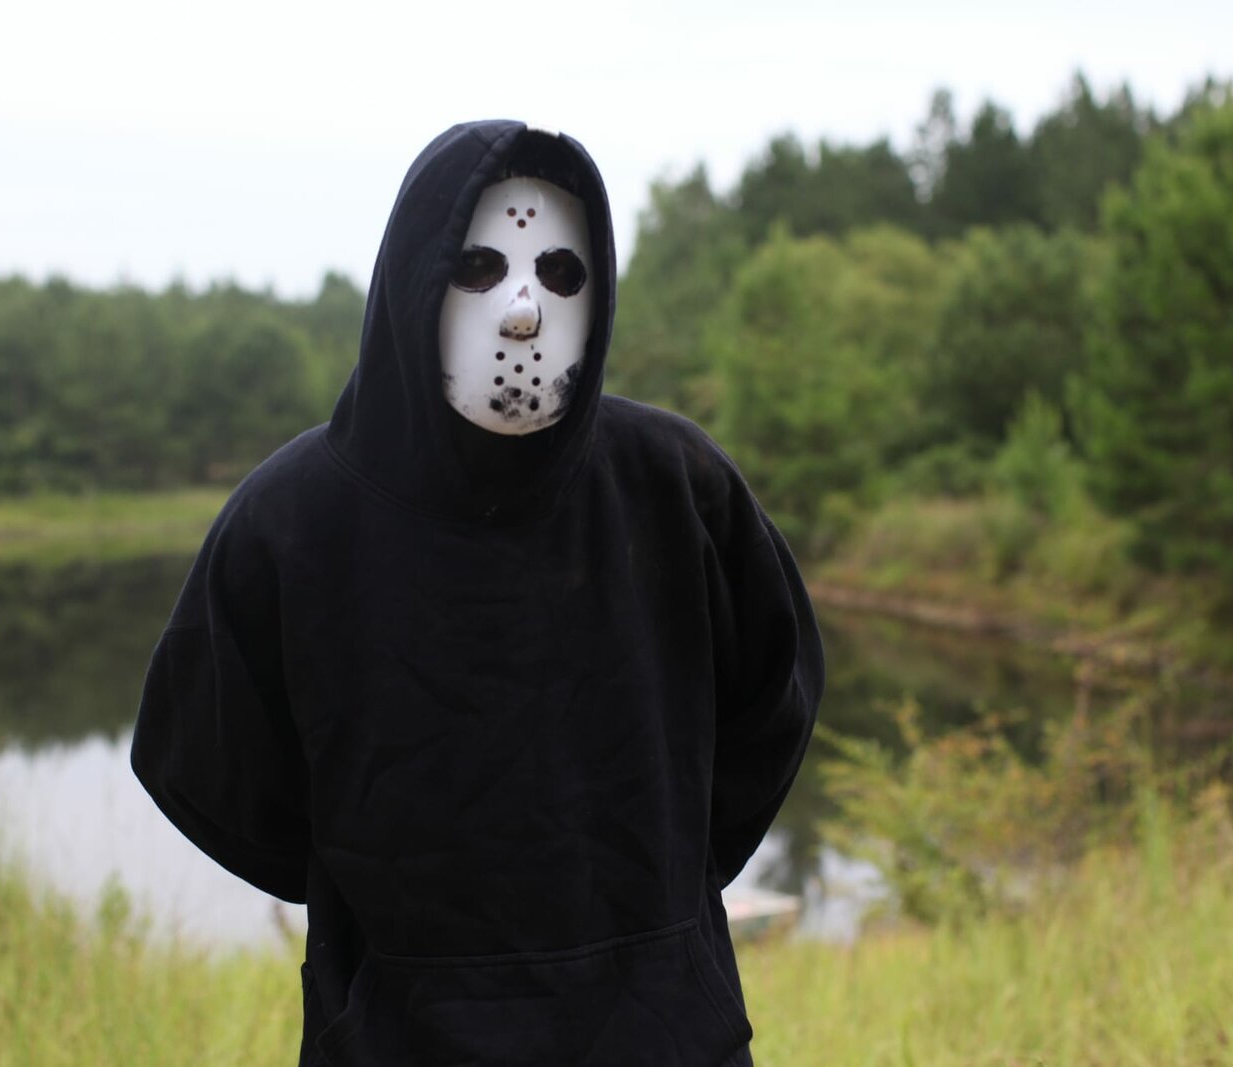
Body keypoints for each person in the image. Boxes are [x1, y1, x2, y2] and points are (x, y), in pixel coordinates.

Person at [132, 120, 824, 1066]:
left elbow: (775, 696)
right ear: (415, 275)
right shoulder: (291, 520)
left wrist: (662, 899)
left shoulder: (676, 488)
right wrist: (378, 913)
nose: (523, 312)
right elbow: (203, 760)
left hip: (663, 1035)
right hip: (393, 1039)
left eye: (561, 273)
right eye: (479, 267)